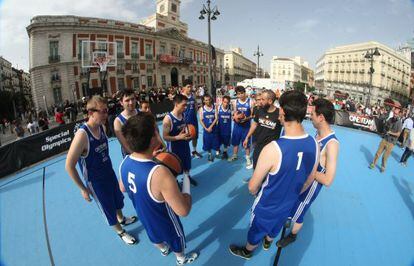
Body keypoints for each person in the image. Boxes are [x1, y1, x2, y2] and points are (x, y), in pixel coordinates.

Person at [229, 90, 319, 260]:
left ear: (283, 112)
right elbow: (310, 178)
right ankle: (268, 242)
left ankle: (248, 251)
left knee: (256, 229)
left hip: (267, 204)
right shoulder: (314, 144)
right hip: (288, 203)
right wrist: (293, 195)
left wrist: (256, 192)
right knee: (275, 227)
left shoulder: (273, 149)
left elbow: (252, 186)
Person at [119, 113, 198, 265]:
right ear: (152, 139)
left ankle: (163, 249)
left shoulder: (125, 162)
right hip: (166, 220)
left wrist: (150, 157)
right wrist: (186, 181)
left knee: (155, 237)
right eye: (156, 131)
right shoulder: (160, 173)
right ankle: (181, 259)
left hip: (145, 217)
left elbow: (122, 188)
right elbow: (184, 210)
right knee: (176, 239)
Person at [65, 96, 137, 245]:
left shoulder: (102, 127)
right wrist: (83, 189)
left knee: (117, 200)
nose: (106, 115)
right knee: (108, 207)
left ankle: (122, 219)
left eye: (107, 111)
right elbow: (69, 165)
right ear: (91, 112)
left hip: (108, 173)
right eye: (103, 112)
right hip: (96, 181)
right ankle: (120, 231)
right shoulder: (82, 135)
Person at [277, 98, 339, 248]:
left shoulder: (332, 144)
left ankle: (292, 235)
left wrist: (307, 168)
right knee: (291, 206)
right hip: (302, 182)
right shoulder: (316, 136)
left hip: (310, 189)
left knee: (299, 212)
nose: (310, 117)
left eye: (312, 114)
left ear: (321, 117)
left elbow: (328, 180)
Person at [242, 90, 282, 182]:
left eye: (263, 99)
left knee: (269, 171)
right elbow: (254, 124)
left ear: (270, 101)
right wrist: (247, 137)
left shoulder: (279, 113)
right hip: (259, 145)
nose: (260, 101)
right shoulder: (260, 110)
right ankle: (256, 185)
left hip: (271, 149)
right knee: (256, 167)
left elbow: (287, 127)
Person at [162, 94, 198, 186]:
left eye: (186, 105)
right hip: (174, 148)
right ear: (176, 104)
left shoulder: (183, 115)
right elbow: (165, 137)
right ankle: (175, 182)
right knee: (174, 166)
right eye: (183, 105)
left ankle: (187, 177)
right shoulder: (168, 118)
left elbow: (184, 129)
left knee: (187, 163)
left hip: (184, 145)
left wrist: (189, 134)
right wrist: (179, 137)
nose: (186, 107)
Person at [228, 86, 254, 169]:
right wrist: (234, 117)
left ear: (245, 93)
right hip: (237, 126)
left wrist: (246, 118)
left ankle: (247, 158)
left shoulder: (251, 102)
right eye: (238, 94)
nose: (240, 95)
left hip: (246, 127)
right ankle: (235, 155)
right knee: (235, 142)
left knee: (246, 143)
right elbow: (234, 113)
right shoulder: (235, 102)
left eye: (242, 93)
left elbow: (253, 115)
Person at [369, 107, 403, 173]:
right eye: (394, 113)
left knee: (385, 156)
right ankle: (373, 163)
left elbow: (398, 134)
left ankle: (383, 167)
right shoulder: (390, 119)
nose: (394, 114)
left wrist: (390, 132)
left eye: (396, 114)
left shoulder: (399, 123)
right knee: (378, 153)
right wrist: (385, 129)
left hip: (391, 142)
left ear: (399, 114)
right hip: (385, 139)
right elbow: (385, 127)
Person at [181, 79, 203, 159]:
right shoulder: (181, 97)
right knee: (185, 138)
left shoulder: (193, 96)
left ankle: (194, 151)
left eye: (191, 86)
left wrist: (197, 113)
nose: (190, 88)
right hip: (184, 122)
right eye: (188, 87)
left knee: (195, 136)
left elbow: (196, 105)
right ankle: (185, 152)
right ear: (184, 88)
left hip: (193, 120)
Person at [114, 89, 138, 158]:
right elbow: (125, 145)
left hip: (146, 153)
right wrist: (139, 157)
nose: (131, 102)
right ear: (121, 102)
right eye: (127, 100)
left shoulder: (141, 113)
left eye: (133, 99)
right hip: (131, 156)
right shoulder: (118, 121)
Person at [199, 94, 219, 162]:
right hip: (206, 129)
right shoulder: (202, 109)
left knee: (216, 141)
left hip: (213, 128)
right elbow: (201, 120)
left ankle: (217, 152)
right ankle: (209, 154)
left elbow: (216, 118)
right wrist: (205, 128)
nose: (208, 101)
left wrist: (211, 126)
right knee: (207, 142)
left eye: (209, 100)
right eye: (206, 100)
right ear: (204, 101)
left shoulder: (214, 107)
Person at [217, 95, 232, 159]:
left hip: (227, 128)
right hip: (220, 127)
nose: (226, 104)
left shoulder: (231, 108)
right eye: (224, 102)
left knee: (226, 140)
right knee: (218, 139)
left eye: (227, 102)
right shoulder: (218, 108)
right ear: (222, 101)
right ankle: (217, 150)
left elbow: (234, 116)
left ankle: (225, 152)